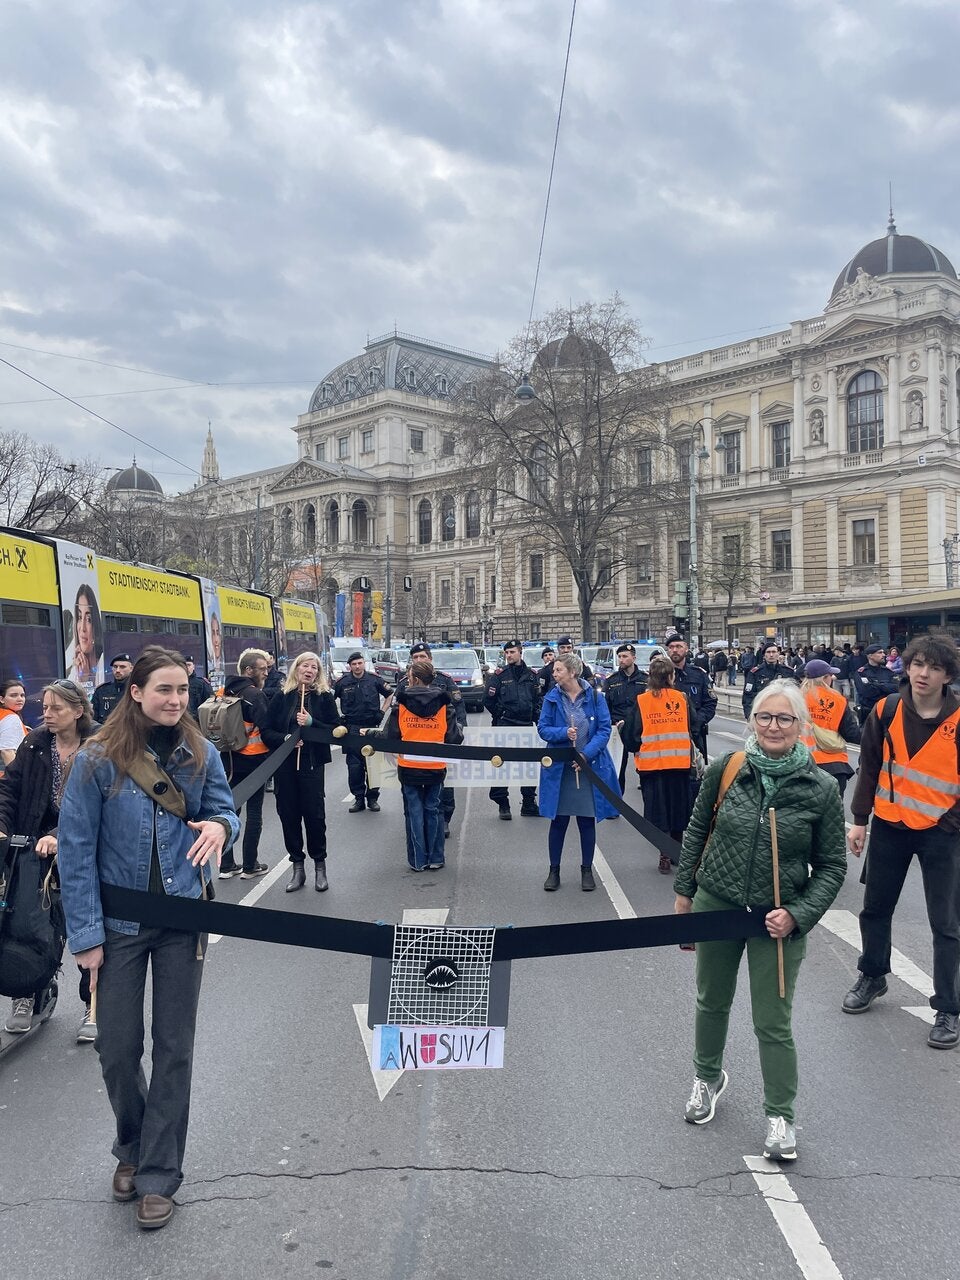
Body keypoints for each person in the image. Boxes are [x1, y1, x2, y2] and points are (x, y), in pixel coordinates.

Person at [57, 648, 239, 1231]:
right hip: (120, 926)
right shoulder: (95, 759)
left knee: (174, 1048)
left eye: (183, 690)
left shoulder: (200, 752)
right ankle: (131, 1143)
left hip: (183, 920)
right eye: (165, 689)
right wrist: (85, 935)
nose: (177, 700)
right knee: (115, 1047)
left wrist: (220, 826)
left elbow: (223, 811)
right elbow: (77, 851)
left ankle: (160, 1173)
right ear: (136, 692)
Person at [674, 679, 846, 1161]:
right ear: (752, 721)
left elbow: (832, 866)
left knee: (773, 1021)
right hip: (717, 903)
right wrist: (685, 894)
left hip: (777, 919)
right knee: (711, 1001)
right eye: (765, 717)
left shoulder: (821, 788)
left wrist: (798, 914)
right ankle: (707, 1079)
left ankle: (780, 1115)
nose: (773, 726)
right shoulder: (726, 768)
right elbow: (697, 829)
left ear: (801, 727)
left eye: (785, 719)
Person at [842, 633, 960, 1049]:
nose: (923, 673)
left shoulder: (959, 718)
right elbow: (869, 765)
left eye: (934, 667)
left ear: (947, 675)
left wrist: (949, 822)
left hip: (942, 833)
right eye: (917, 664)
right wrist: (859, 821)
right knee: (875, 908)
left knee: (946, 924)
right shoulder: (886, 708)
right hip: (890, 825)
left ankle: (948, 1006)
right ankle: (873, 975)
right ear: (906, 667)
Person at [0, 678, 98, 1041]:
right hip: (32, 852)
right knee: (25, 923)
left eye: (56, 708)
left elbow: (101, 803)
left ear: (78, 710)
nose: (47, 714)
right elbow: (10, 787)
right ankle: (28, 992)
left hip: (85, 851)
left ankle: (94, 1004)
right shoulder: (36, 741)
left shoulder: (99, 744)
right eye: (44, 707)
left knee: (86, 928)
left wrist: (59, 837)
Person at [536, 653, 619, 893]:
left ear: (572, 672)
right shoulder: (552, 698)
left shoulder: (595, 697)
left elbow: (604, 730)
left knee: (586, 821)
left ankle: (586, 869)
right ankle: (554, 870)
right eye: (554, 670)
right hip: (561, 769)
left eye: (558, 670)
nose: (554, 673)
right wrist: (563, 733)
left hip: (588, 768)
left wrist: (585, 756)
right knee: (558, 821)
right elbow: (543, 729)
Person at [264, 651, 341, 893]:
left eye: (314, 668)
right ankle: (298, 867)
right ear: (296, 669)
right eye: (305, 666)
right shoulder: (282, 697)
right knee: (289, 816)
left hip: (311, 763)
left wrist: (312, 724)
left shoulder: (324, 698)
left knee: (314, 816)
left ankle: (320, 866)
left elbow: (337, 729)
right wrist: (286, 738)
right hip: (285, 766)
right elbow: (266, 731)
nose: (309, 670)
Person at [381, 660, 461, 870]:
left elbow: (391, 735)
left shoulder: (402, 703)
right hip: (435, 766)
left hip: (408, 765)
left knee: (414, 812)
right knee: (433, 810)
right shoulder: (444, 703)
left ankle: (418, 860)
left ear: (413, 678)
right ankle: (436, 858)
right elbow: (454, 738)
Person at [626, 655, 699, 874]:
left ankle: (664, 855)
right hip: (679, 765)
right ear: (670, 676)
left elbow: (631, 735)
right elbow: (694, 726)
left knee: (659, 814)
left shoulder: (642, 701)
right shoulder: (682, 699)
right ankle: (677, 852)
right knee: (679, 811)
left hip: (652, 768)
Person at [395, 643, 464, 838]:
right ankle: (421, 826)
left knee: (444, 786)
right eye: (415, 657)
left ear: (430, 659)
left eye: (422, 657)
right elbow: (397, 715)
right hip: (413, 749)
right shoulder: (404, 683)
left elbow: (457, 709)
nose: (418, 660)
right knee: (416, 793)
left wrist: (457, 733)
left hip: (439, 744)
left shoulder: (444, 681)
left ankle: (444, 820)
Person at [217, 649, 272, 879]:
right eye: (263, 669)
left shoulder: (222, 691)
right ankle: (250, 865)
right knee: (255, 814)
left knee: (230, 811)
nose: (267, 673)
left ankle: (226, 865)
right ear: (248, 670)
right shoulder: (255, 695)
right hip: (254, 761)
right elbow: (266, 730)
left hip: (228, 760)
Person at [485, 638, 541, 819]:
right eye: (506, 653)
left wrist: (535, 715)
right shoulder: (500, 675)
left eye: (512, 652)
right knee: (502, 765)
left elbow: (538, 699)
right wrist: (500, 714)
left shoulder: (532, 675)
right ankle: (503, 804)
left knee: (528, 767)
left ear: (520, 652)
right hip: (505, 725)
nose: (509, 656)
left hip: (526, 726)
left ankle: (528, 804)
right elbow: (488, 700)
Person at [333, 651, 393, 813]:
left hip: (372, 728)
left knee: (374, 765)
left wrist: (382, 711)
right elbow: (329, 700)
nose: (357, 666)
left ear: (364, 663)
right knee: (354, 767)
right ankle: (358, 799)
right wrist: (336, 719)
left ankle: (372, 798)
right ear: (349, 666)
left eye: (360, 663)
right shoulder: (342, 682)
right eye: (354, 664)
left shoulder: (374, 680)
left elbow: (390, 694)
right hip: (352, 728)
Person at [799, 658, 860, 798]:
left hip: (803, 763)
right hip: (834, 765)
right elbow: (851, 733)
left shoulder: (795, 697)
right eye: (830, 675)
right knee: (832, 813)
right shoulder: (837, 699)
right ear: (824, 678)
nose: (832, 677)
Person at [603, 642, 648, 793]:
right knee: (617, 769)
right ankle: (616, 803)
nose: (621, 659)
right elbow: (605, 706)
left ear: (633, 658)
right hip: (618, 728)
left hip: (640, 730)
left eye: (625, 656)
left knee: (645, 768)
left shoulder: (646, 679)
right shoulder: (611, 681)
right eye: (619, 657)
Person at [665, 632, 716, 760]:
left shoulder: (698, 674)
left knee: (695, 775)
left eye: (678, 646)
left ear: (686, 648)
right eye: (671, 647)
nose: (675, 650)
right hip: (668, 736)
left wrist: (697, 722)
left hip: (695, 735)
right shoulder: (661, 675)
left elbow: (710, 702)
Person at [741, 640, 799, 720]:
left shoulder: (788, 672)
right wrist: (749, 716)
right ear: (764, 655)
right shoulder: (755, 672)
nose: (771, 655)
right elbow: (748, 696)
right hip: (763, 713)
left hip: (783, 714)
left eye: (774, 652)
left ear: (778, 653)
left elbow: (796, 694)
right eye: (768, 652)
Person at [69, 583, 103, 696]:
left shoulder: (102, 664)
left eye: (88, 619)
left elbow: (90, 709)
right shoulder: (75, 670)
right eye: (79, 617)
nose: (82, 628)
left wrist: (85, 682)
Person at [852, 643, 897, 725]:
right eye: (880, 653)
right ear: (870, 656)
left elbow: (896, 689)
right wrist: (885, 688)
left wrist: (877, 685)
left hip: (887, 711)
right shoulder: (861, 673)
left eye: (883, 652)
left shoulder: (888, 672)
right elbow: (867, 692)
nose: (883, 655)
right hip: (869, 713)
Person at [92, 653, 134, 723]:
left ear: (131, 669)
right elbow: (93, 719)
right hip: (105, 731)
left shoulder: (136, 691)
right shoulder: (102, 691)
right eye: (115, 667)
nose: (117, 670)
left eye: (122, 667)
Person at [0, 678, 29, 770]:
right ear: (1, 699)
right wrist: (16, 779)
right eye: (13, 695)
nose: (20, 699)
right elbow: (7, 751)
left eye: (22, 695)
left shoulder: (4, 715)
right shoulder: (10, 718)